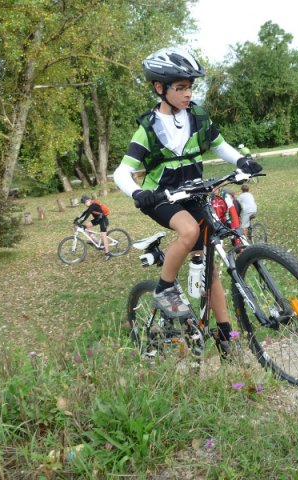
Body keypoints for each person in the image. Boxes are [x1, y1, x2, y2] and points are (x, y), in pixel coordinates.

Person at [113, 47, 262, 356]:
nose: (187, 93)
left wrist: (243, 161)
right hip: (160, 196)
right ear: (159, 88)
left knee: (211, 268)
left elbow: (221, 147)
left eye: (190, 87)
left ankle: (224, 337)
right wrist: (138, 193)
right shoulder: (147, 128)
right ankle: (165, 288)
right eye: (180, 88)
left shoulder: (197, 116)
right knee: (189, 231)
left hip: (193, 192)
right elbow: (122, 172)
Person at [74, 195, 116, 261]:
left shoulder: (93, 205)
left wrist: (80, 222)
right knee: (87, 226)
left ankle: (108, 253)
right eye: (84, 203)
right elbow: (84, 213)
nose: (85, 204)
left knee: (103, 235)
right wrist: (76, 219)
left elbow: (86, 216)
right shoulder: (90, 206)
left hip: (103, 220)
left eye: (85, 202)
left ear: (89, 200)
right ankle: (95, 240)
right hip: (97, 219)